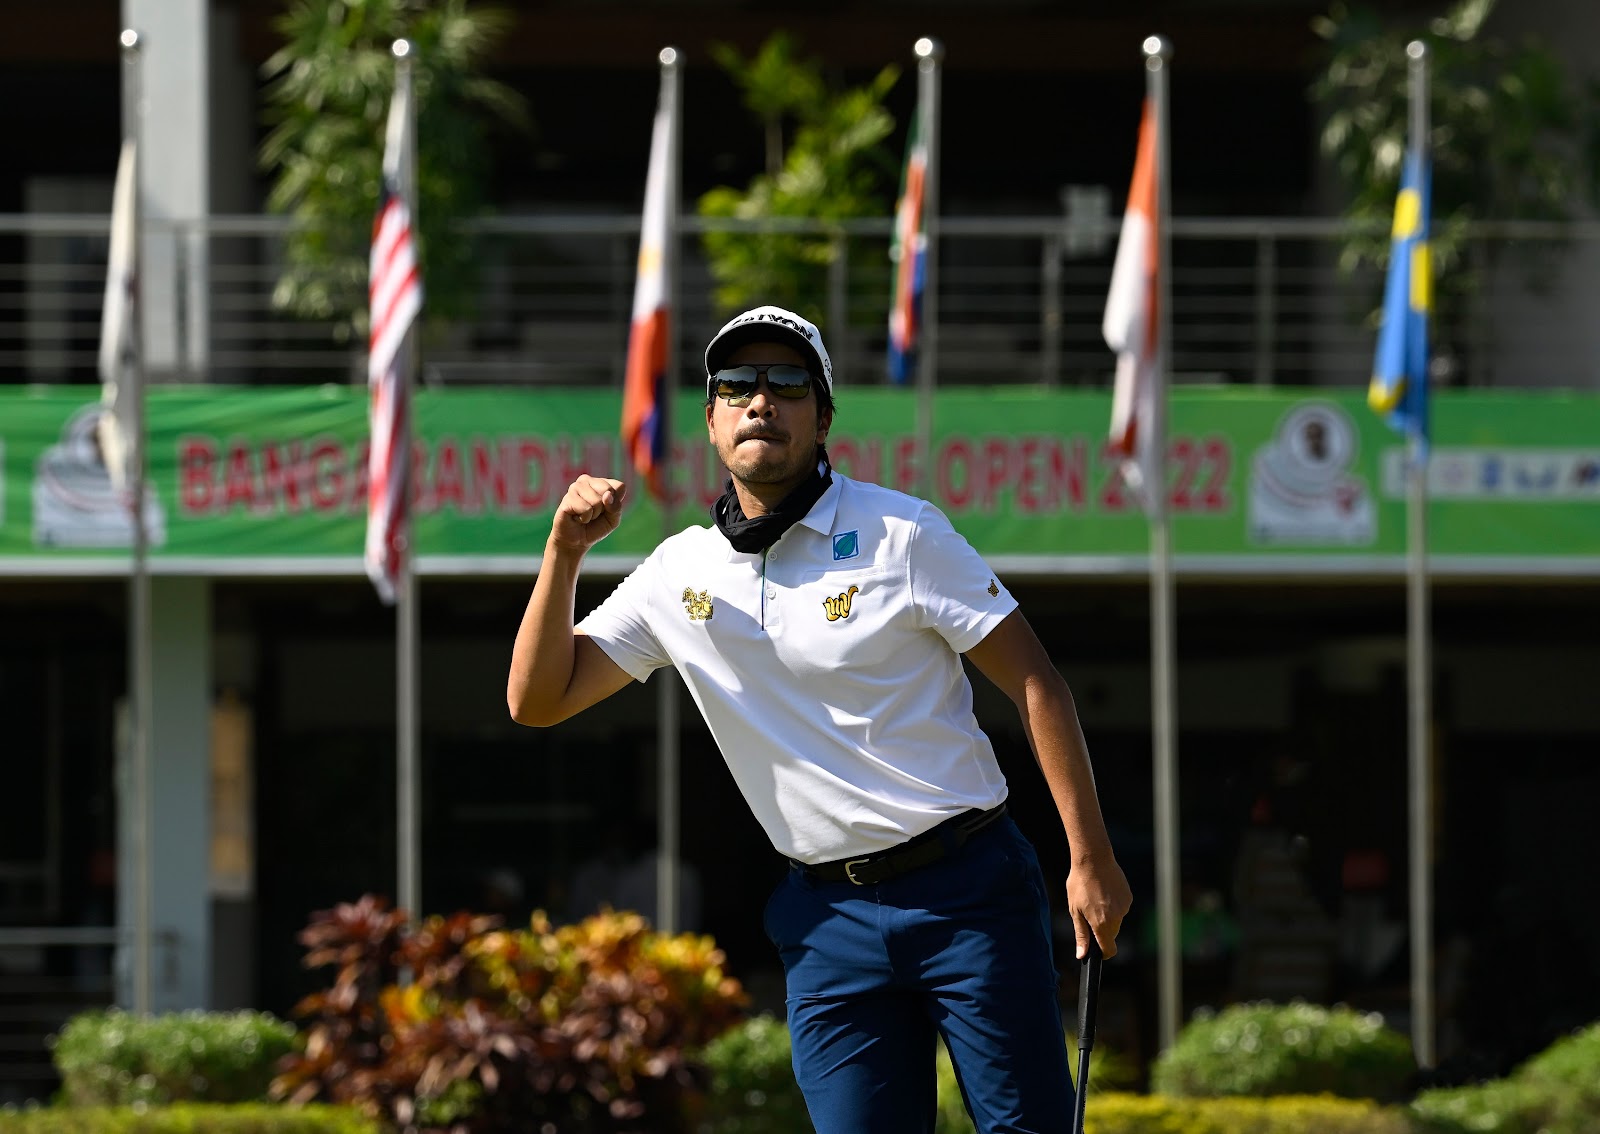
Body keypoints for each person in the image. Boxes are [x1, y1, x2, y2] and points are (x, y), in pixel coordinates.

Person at [507, 305, 1132, 1134]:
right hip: (825, 919)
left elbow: (1036, 682)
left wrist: (1090, 858)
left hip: (970, 891)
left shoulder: (904, 532)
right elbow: (537, 701)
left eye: (789, 384)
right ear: (711, 419)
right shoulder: (677, 572)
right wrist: (564, 554)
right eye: (737, 385)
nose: (761, 401)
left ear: (824, 416)